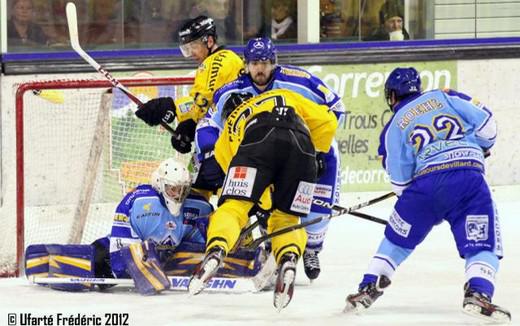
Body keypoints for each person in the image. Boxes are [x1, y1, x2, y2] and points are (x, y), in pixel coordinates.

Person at [343, 67, 511, 323]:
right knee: (482, 241)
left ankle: (369, 285)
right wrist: (481, 147)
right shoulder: (445, 97)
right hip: (469, 179)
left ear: (391, 96)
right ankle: (479, 291)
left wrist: (422, 202)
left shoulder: (395, 124)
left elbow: (400, 181)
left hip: (426, 186)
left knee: (397, 238)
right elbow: (488, 124)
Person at [196, 37, 345, 281]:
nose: (260, 68)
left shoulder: (298, 81)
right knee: (287, 212)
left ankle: (311, 249)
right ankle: (284, 251)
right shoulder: (232, 91)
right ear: (246, 65)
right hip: (296, 149)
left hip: (306, 145)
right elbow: (207, 125)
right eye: (255, 63)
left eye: (265, 62)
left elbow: (336, 109)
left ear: (274, 62)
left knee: (243, 203)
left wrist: (318, 149)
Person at [188, 89, 338, 310]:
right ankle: (288, 258)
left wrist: (264, 203)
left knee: (233, 208)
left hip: (256, 141)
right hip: (302, 146)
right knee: (287, 219)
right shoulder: (282, 93)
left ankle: (216, 250)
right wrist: (315, 154)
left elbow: (249, 189)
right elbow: (328, 123)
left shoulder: (226, 133)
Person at [135, 15, 243, 195]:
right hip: (216, 137)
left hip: (223, 141)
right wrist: (176, 113)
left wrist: (182, 117)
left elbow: (204, 99)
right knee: (197, 191)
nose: (191, 52)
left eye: (193, 46)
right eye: (186, 48)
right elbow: (205, 103)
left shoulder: (219, 60)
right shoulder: (217, 61)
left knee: (202, 195)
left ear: (209, 41)